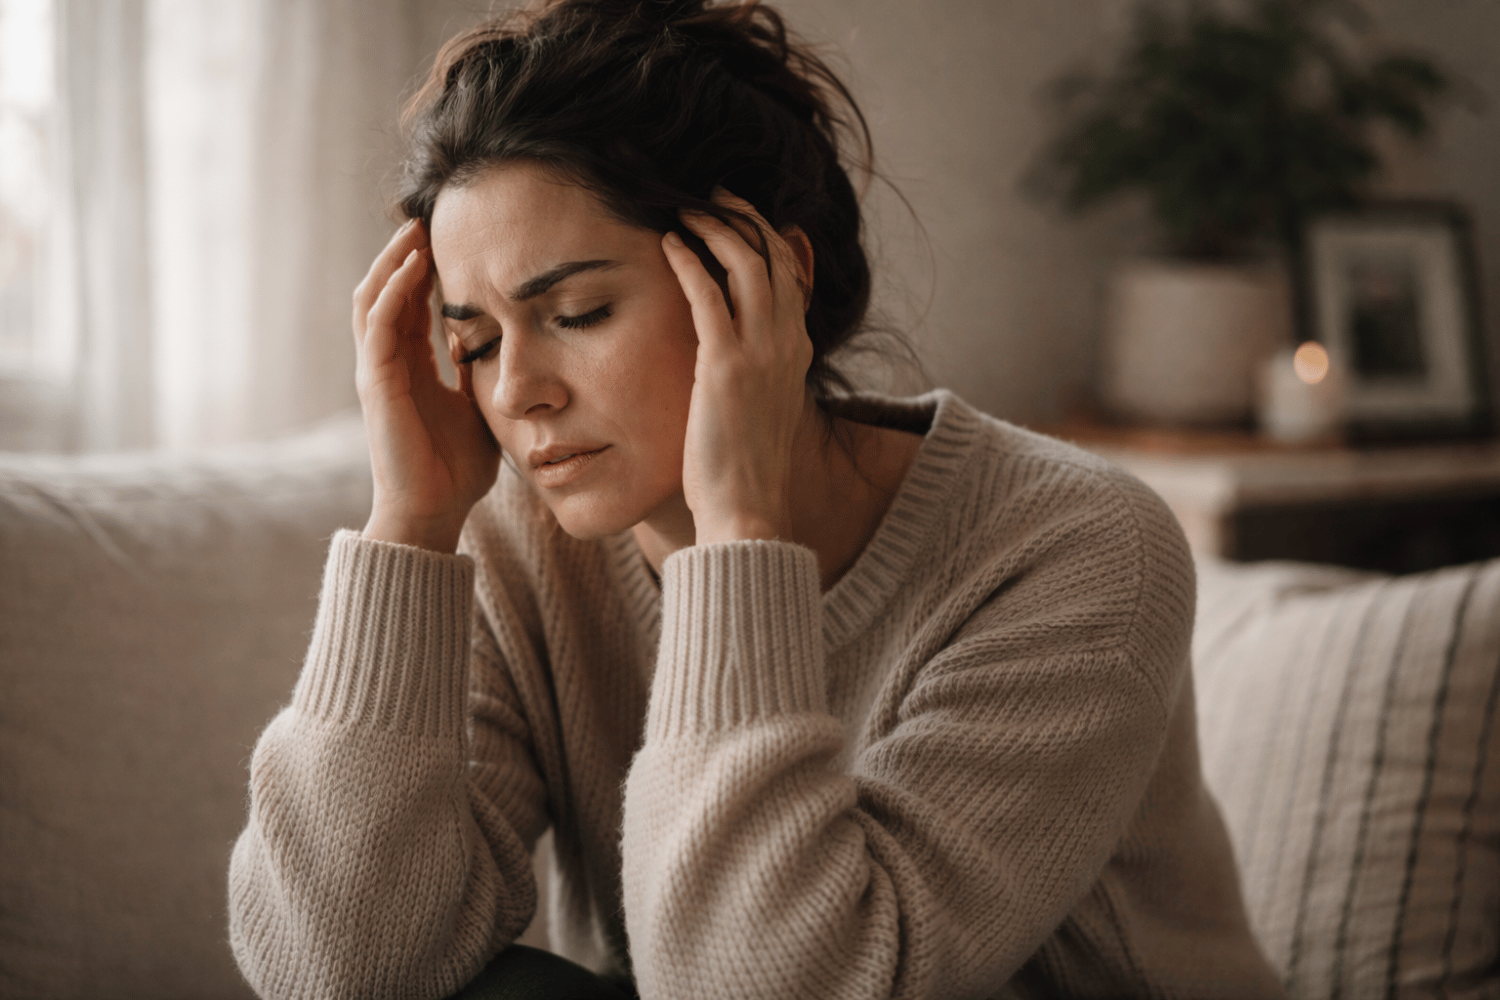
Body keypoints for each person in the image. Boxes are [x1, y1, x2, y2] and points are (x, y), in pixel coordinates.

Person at [227, 1, 1287, 998]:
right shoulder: (521, 540)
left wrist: (734, 540)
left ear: (761, 278)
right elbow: (335, 966)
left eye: (580, 311)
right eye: (478, 339)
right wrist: (410, 529)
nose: (516, 391)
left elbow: (775, 984)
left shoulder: (1075, 547)